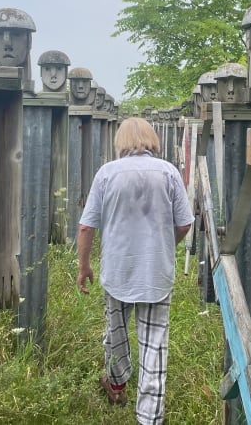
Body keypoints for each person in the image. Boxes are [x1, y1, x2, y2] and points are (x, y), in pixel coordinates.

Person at [77, 117, 194, 424]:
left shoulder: (107, 174)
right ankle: (150, 416)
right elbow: (184, 223)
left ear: (121, 141)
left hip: (118, 269)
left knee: (116, 332)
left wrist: (84, 265)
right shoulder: (168, 172)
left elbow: (87, 226)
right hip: (156, 271)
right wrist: (166, 243)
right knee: (154, 343)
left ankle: (116, 384)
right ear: (152, 139)